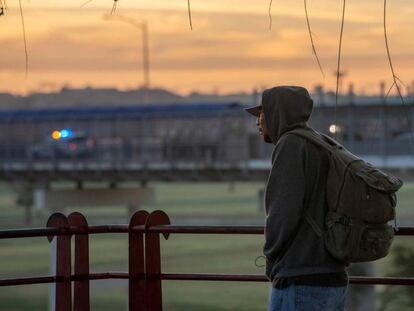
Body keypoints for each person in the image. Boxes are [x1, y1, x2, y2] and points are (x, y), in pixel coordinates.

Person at [245, 86, 348, 311]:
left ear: (277, 114)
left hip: (301, 279)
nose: (257, 123)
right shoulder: (320, 142)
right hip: (331, 276)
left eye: (261, 115)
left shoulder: (291, 145)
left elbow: (283, 214)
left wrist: (271, 259)